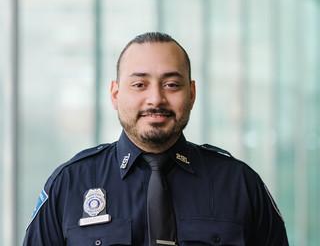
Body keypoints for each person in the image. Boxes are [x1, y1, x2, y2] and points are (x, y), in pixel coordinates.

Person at [23, 32, 289, 245]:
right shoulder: (70, 185)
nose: (156, 99)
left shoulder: (240, 184)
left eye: (171, 84)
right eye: (139, 84)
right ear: (115, 94)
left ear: (192, 93)